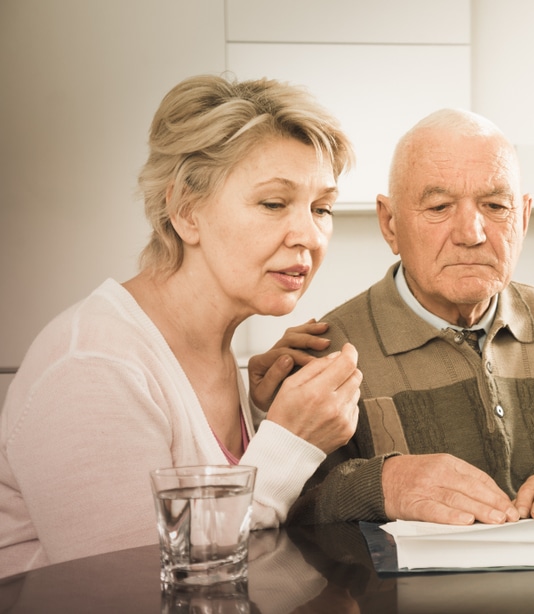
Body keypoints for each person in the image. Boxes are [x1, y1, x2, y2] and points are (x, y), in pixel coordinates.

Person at [0, 74, 363, 577]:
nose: (309, 235)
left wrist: (262, 416)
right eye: (274, 203)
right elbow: (141, 587)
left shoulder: (219, 352)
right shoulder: (92, 367)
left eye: (321, 208)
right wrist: (289, 441)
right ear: (186, 211)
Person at [251, 108, 534, 526]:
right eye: (439, 207)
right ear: (389, 224)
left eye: (495, 206)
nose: (471, 233)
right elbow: (288, 517)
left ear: (524, 217)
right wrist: (379, 484)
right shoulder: (325, 358)